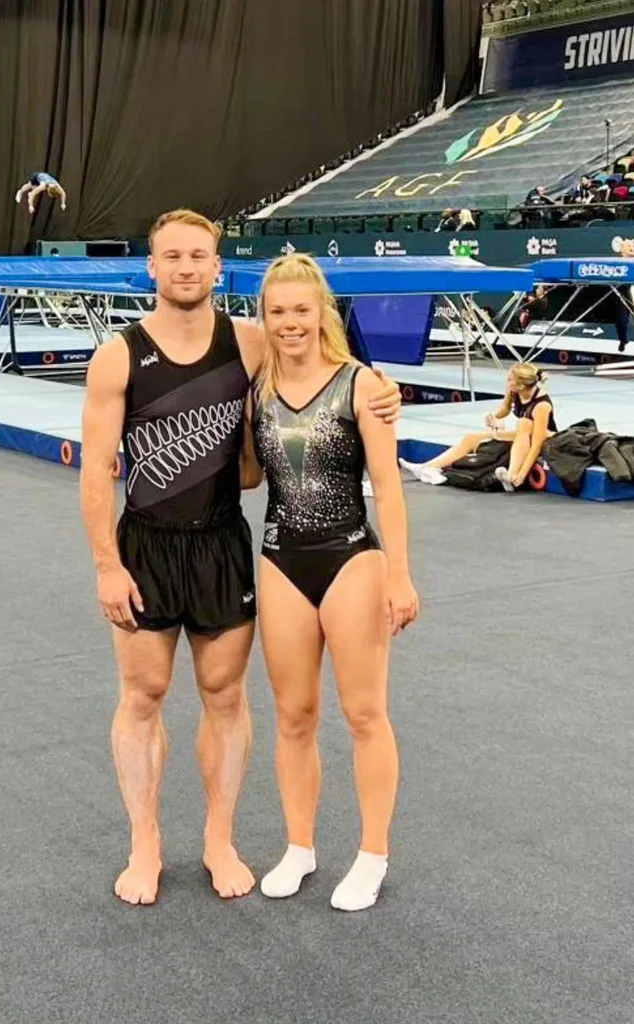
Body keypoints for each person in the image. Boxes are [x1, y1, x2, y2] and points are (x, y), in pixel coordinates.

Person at [78, 209, 403, 906]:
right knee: (143, 696)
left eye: (199, 255)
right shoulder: (119, 357)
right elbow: (95, 468)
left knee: (226, 696)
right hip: (147, 544)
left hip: (225, 543)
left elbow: (320, 362)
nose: (187, 267)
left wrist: (384, 393)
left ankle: (220, 838)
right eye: (173, 256)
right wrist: (108, 565)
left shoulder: (250, 343)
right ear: (153, 266)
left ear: (218, 268)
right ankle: (146, 842)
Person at [236, 254, 418, 911]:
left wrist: (399, 573)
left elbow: (389, 488)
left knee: (364, 712)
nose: (289, 324)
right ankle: (300, 846)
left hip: (351, 557)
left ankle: (372, 853)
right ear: (265, 317)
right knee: (293, 715)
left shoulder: (362, 385)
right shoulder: (255, 385)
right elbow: (252, 476)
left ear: (323, 314)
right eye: (277, 312)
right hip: (282, 555)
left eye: (301, 311)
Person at [399, 363, 557, 493]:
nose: (507, 382)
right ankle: (427, 466)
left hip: (545, 438)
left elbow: (537, 443)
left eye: (510, 380)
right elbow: (505, 409)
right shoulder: (514, 391)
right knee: (471, 437)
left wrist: (523, 474)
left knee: (524, 423)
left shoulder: (541, 405)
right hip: (523, 434)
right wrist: (493, 417)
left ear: (521, 385)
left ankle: (513, 475)